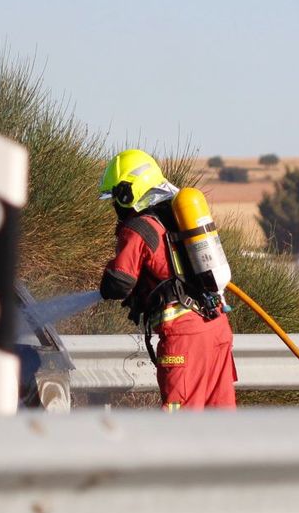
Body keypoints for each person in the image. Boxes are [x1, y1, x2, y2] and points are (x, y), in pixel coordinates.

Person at [97, 149, 237, 410]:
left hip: (185, 338)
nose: (115, 206)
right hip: (217, 326)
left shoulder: (137, 228)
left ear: (127, 194)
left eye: (115, 198)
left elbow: (118, 283)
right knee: (222, 421)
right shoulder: (175, 217)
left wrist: (104, 286)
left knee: (181, 427)